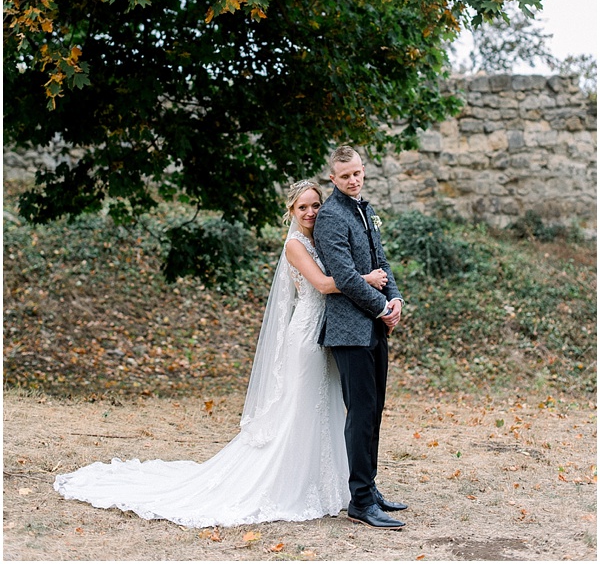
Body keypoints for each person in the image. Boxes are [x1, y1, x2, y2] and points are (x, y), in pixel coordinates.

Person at [54, 179, 390, 528]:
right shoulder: (294, 245)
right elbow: (321, 284)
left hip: (329, 330)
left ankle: (333, 483)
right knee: (301, 407)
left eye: (315, 205)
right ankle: (289, 482)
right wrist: (364, 279)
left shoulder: (321, 237)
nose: (310, 212)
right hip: (306, 333)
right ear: (290, 211)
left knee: (328, 407)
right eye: (302, 207)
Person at [313, 145, 407, 530]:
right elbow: (347, 278)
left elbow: (380, 261)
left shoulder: (364, 210)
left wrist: (396, 297)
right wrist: (381, 308)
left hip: (373, 326)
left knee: (374, 410)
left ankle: (370, 487)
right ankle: (361, 501)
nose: (354, 180)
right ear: (332, 179)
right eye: (346, 175)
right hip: (348, 331)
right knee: (361, 412)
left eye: (358, 173)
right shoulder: (331, 217)